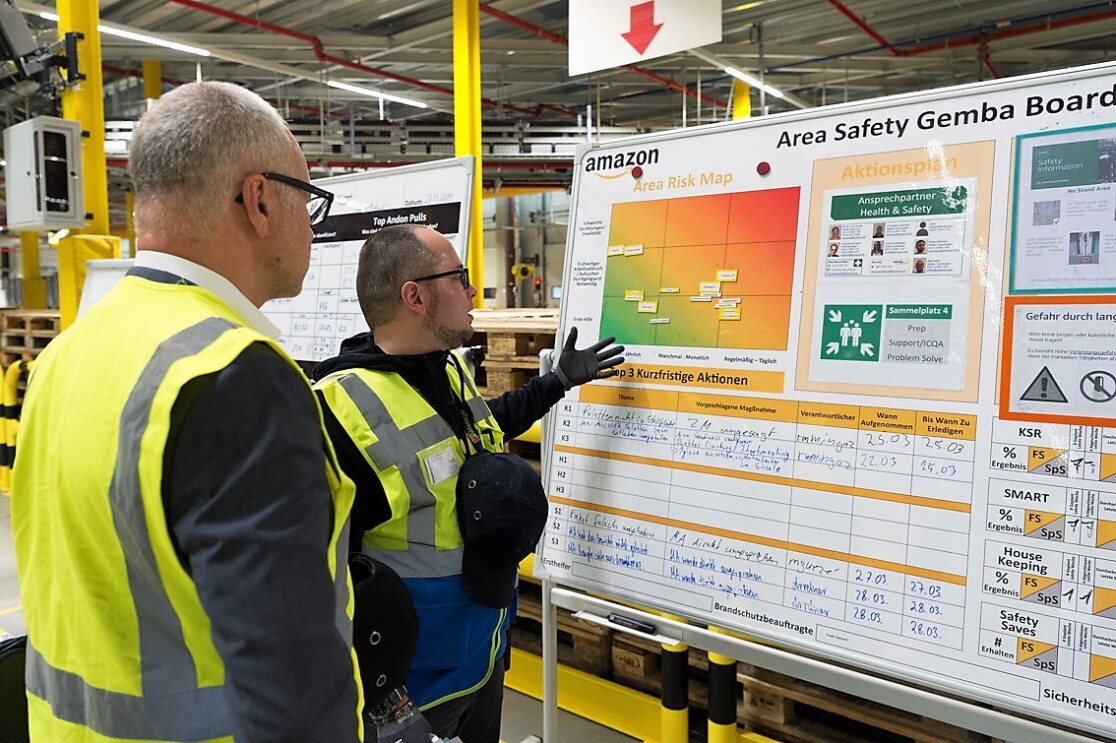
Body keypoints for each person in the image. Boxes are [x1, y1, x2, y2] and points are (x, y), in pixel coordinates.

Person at [11, 82, 364, 742]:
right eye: (306, 201)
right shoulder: (235, 375)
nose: (309, 226)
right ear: (258, 200)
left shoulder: (66, 354)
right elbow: (293, 696)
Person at [313, 224, 624, 743]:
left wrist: (557, 382)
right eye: (458, 277)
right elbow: (324, 574)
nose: (473, 290)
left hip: (481, 656)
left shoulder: (447, 369)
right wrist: (386, 702)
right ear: (414, 296)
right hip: (411, 689)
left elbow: (482, 429)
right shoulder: (340, 408)